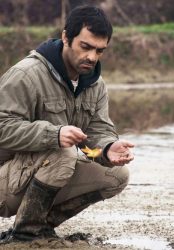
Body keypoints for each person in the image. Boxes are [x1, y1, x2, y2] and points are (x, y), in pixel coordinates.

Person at [0, 5, 134, 243]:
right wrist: (53, 134)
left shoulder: (96, 84)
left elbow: (98, 129)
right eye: (86, 47)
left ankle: (41, 227)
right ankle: (25, 236)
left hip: (38, 174)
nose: (92, 57)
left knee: (117, 175)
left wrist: (107, 148)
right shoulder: (26, 75)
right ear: (65, 37)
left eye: (99, 50)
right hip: (5, 179)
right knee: (63, 152)